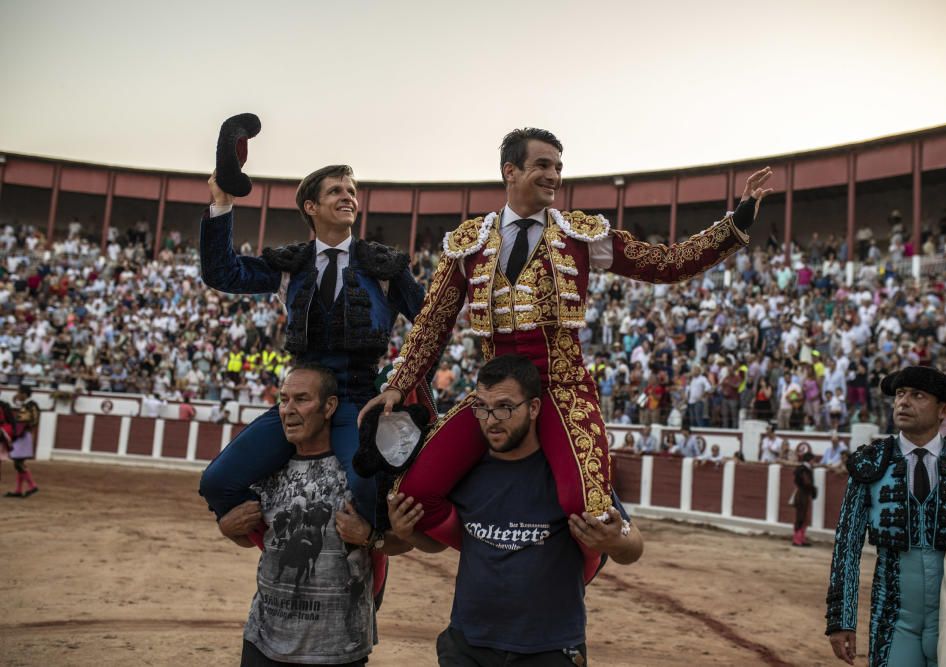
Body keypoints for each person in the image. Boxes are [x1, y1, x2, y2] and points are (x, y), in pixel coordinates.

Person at [361, 128, 772, 577]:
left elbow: (667, 263)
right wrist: (399, 385)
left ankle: (577, 571)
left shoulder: (581, 234)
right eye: (543, 165)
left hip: (563, 389)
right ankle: (491, 550)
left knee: (587, 510)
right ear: (510, 171)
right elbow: (434, 321)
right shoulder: (468, 243)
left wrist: (735, 224)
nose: (554, 175)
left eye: (558, 166)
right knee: (415, 495)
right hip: (494, 396)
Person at [197, 165, 427, 531]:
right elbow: (222, 273)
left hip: (357, 396)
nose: (347, 197)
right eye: (336, 191)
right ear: (311, 207)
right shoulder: (292, 265)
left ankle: (369, 544)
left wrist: (401, 380)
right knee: (218, 482)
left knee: (370, 487)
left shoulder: (384, 266)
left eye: (351, 191)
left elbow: (432, 322)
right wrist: (222, 203)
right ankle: (281, 531)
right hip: (301, 397)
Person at [386, 354, 643, 665]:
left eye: (505, 407)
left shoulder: (568, 473)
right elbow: (440, 544)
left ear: (533, 408)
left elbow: (633, 548)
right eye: (482, 407)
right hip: (469, 644)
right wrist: (408, 534)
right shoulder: (464, 473)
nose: (491, 419)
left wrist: (617, 541)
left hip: (548, 649)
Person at [216, 364, 411, 666]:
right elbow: (264, 540)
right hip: (264, 638)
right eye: (283, 400)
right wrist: (228, 529)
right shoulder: (265, 471)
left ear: (329, 406)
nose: (288, 410)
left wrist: (370, 538)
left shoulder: (361, 472)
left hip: (337, 648)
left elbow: (405, 540)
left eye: (301, 399)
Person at [825, 366, 946, 666]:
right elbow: (847, 546)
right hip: (893, 620)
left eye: (917, 395)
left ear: (943, 409)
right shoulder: (871, 463)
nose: (903, 402)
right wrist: (842, 621)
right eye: (900, 395)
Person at [4, 386, 40, 498]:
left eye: (19, 393)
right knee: (18, 463)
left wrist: (21, 430)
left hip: (23, 435)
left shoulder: (31, 405)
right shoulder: (28, 405)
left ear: (24, 394)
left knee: (18, 462)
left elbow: (33, 420)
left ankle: (32, 486)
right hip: (22, 435)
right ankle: (18, 490)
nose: (17, 395)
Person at [791, 452, 816, 546]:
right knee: (801, 517)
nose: (814, 462)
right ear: (810, 460)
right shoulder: (804, 469)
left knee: (803, 517)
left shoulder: (802, 468)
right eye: (813, 460)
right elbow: (807, 483)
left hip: (803, 494)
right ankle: (797, 540)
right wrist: (812, 489)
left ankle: (800, 538)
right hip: (803, 495)